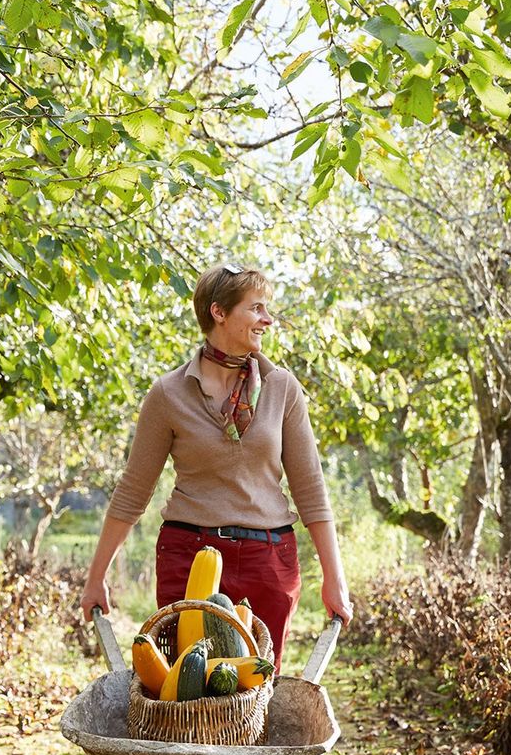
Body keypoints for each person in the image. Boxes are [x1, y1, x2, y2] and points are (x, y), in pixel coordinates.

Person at [80, 263, 353, 665]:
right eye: (256, 308)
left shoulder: (282, 388)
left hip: (268, 558)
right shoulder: (168, 394)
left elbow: (310, 489)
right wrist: (96, 577)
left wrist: (335, 577)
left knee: (255, 692)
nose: (268, 319)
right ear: (218, 313)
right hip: (189, 555)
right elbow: (133, 493)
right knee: (186, 690)